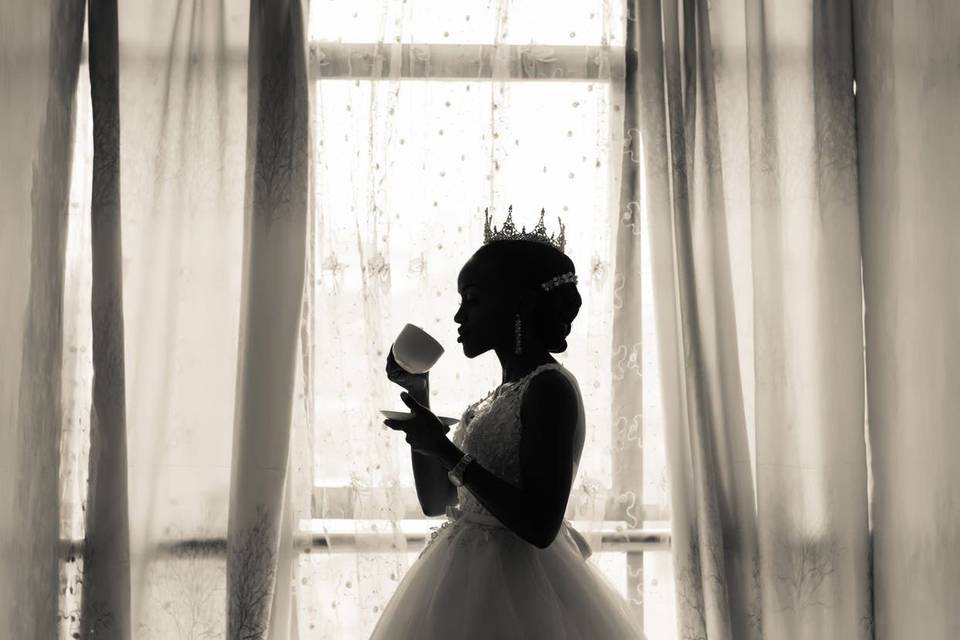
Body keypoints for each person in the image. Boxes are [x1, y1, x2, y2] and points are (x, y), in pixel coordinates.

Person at [372, 209, 645, 639]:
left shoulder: (550, 389)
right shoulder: (493, 399)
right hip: (459, 581)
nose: (459, 317)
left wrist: (445, 450)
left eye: (473, 300)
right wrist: (419, 399)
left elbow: (540, 525)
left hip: (522, 592)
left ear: (518, 304)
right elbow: (436, 501)